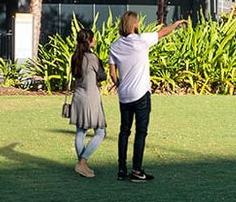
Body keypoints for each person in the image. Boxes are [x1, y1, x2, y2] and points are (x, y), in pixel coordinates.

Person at [107, 11, 187, 182]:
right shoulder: (142, 40)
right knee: (140, 132)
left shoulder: (114, 46)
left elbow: (112, 73)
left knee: (124, 131)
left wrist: (120, 85)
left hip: (124, 95)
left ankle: (122, 169)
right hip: (141, 93)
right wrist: (176, 24)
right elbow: (164, 32)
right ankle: (137, 171)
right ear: (134, 24)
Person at [68, 26, 107, 179]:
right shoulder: (92, 58)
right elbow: (102, 76)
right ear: (89, 41)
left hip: (78, 96)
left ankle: (81, 165)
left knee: (81, 132)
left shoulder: (75, 57)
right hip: (91, 98)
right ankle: (83, 161)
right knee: (100, 132)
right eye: (93, 38)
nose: (95, 40)